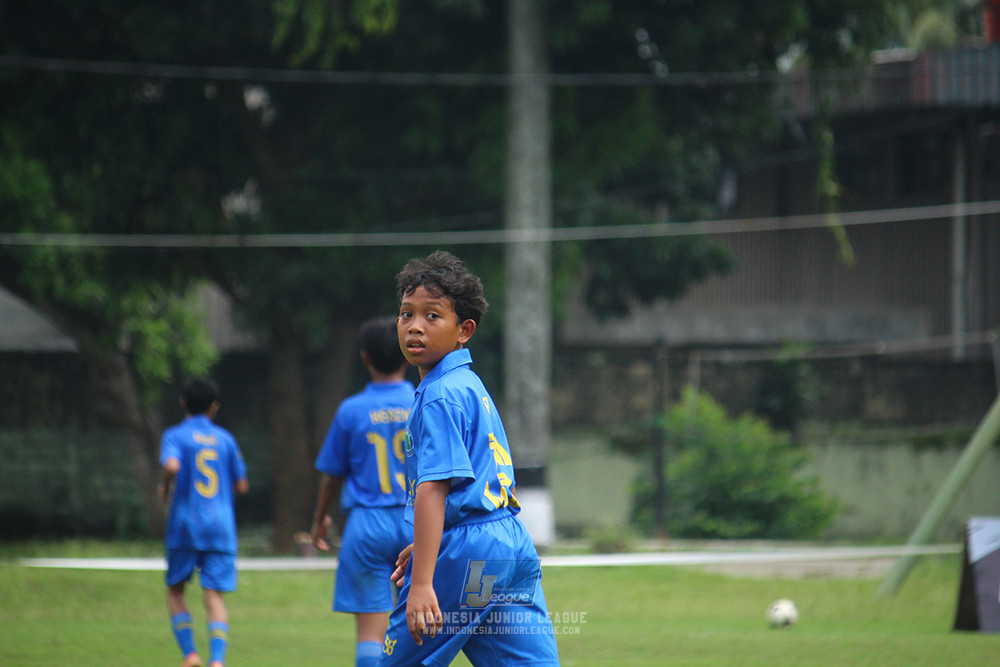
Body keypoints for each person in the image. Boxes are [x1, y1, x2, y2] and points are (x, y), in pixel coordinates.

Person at [380, 250, 560, 666]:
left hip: (469, 551)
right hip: (509, 545)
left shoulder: (440, 394)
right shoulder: (468, 383)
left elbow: (434, 487)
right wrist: (430, 546)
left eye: (432, 316)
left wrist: (424, 581)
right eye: (406, 314)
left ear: (465, 330)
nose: (415, 327)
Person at [310, 316, 416, 667]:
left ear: (364, 359)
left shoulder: (351, 410)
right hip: (417, 523)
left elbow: (332, 475)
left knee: (370, 633)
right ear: (404, 355)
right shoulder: (421, 401)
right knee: (417, 626)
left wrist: (321, 518)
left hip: (366, 525)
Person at [159, 377, 249, 667]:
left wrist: (164, 487)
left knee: (175, 589)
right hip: (220, 527)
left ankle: (191, 654)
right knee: (214, 594)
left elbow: (172, 465)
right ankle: (218, 660)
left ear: (183, 402)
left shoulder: (175, 435)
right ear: (214, 407)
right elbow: (242, 485)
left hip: (185, 524)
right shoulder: (225, 439)